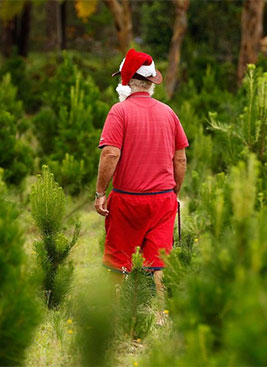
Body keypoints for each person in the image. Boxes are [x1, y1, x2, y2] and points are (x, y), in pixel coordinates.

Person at [94, 48, 188, 302]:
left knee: (117, 260)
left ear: (124, 81)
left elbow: (110, 154)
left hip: (127, 201)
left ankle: (110, 313)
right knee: (158, 261)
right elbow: (180, 157)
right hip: (162, 201)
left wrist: (100, 192)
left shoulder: (119, 112)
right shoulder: (169, 113)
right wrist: (174, 193)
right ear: (151, 82)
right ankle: (159, 314)